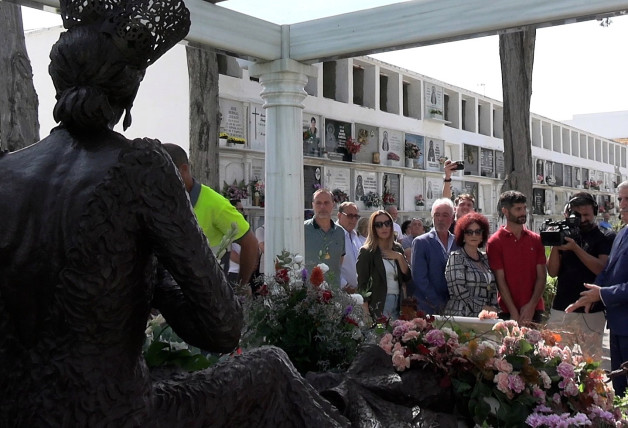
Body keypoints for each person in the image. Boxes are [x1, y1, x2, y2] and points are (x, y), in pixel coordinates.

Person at [0, 1, 347, 425]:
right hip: (112, 414)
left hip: (17, 411)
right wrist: (159, 271)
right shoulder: (140, 166)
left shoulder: (6, 170)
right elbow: (222, 328)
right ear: (127, 88)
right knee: (270, 366)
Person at [163, 144, 258, 287]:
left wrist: (242, 286)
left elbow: (250, 244)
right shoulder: (161, 201)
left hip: (208, 292)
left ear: (183, 170)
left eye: (165, 174)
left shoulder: (215, 204)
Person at [566, 181, 628, 397]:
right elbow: (608, 272)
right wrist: (592, 293)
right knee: (620, 387)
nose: (621, 204)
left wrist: (601, 294)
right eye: (620, 199)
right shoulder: (622, 233)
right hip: (618, 326)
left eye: (627, 199)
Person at [546, 193, 613, 358]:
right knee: (555, 362)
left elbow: (602, 269)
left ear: (594, 213)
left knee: (591, 365)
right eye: (578, 215)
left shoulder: (605, 236)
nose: (582, 219)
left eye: (587, 215)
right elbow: (552, 272)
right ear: (568, 214)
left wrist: (576, 248)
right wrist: (557, 243)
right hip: (562, 308)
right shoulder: (565, 233)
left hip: (592, 312)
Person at [487, 191, 546, 326]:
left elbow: (541, 276)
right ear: (505, 211)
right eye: (518, 209)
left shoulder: (536, 240)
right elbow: (500, 279)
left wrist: (531, 306)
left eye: (524, 208)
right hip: (507, 310)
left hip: (534, 309)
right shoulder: (495, 242)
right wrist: (513, 311)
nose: (523, 212)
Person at [356, 211, 411, 320]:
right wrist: (366, 314)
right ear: (373, 228)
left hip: (398, 303)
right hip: (379, 304)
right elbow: (362, 286)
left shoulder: (397, 248)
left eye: (387, 223)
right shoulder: (367, 252)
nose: (384, 227)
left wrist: (399, 257)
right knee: (380, 334)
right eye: (379, 225)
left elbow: (407, 277)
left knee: (395, 335)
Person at [409, 198, 458, 314]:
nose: (440, 219)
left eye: (445, 215)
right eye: (437, 215)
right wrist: (438, 303)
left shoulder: (458, 243)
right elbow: (419, 278)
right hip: (428, 307)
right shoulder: (421, 242)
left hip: (454, 307)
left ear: (452, 218)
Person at [443, 213, 497, 317]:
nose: (474, 235)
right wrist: (483, 308)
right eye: (469, 232)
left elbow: (493, 288)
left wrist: (494, 308)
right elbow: (458, 290)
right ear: (462, 236)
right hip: (461, 316)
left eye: (478, 232)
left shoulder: (486, 258)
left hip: (486, 317)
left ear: (482, 235)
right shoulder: (456, 257)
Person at [304, 189, 345, 287]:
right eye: (318, 203)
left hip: (333, 292)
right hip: (309, 293)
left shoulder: (339, 232)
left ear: (333, 204)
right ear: (313, 205)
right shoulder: (303, 229)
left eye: (326, 203)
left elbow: (340, 260)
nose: (322, 207)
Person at [337, 202, 362, 293]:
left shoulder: (355, 236)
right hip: (342, 292)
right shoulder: (334, 236)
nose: (353, 220)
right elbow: (331, 266)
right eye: (350, 216)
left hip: (358, 292)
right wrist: (345, 285)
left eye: (356, 216)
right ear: (339, 215)